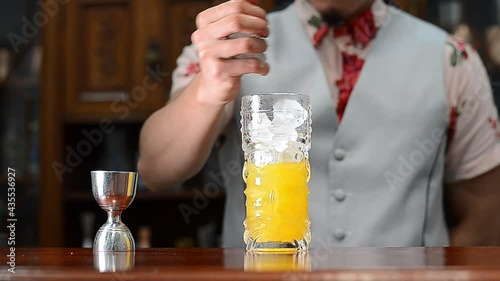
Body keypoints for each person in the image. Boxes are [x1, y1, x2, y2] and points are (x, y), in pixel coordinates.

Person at [138, 0, 500, 247]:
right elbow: (156, 170)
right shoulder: (229, 48)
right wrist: (206, 91)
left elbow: (487, 215)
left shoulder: (453, 60)